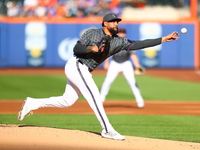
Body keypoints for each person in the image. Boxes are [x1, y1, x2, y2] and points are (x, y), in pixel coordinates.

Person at [18, 13, 180, 140]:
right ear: (105, 23)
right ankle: (108, 130)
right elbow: (76, 49)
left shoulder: (119, 42)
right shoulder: (92, 33)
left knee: (67, 101)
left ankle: (33, 103)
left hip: (84, 70)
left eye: (118, 21)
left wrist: (162, 39)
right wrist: (91, 49)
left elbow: (139, 44)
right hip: (77, 65)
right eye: (113, 21)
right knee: (95, 95)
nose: (116, 23)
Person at [100, 28, 144, 108]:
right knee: (108, 81)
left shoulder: (128, 43)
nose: (121, 34)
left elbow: (133, 56)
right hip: (114, 64)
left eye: (123, 33)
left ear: (125, 34)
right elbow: (108, 54)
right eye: (120, 33)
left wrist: (137, 66)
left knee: (132, 81)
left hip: (126, 64)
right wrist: (106, 63)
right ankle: (100, 100)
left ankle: (139, 100)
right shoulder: (114, 42)